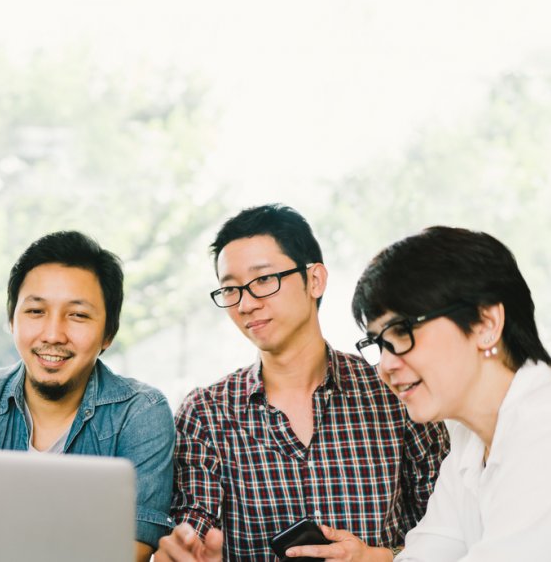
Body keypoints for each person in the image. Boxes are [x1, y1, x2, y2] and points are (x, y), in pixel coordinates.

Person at [156, 204, 450, 562]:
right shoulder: (206, 413)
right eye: (230, 289)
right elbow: (193, 525)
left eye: (263, 279)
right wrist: (186, 551)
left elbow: (450, 534)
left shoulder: (395, 391)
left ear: (315, 280)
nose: (246, 304)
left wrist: (380, 557)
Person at [341, 226, 551, 561]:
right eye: (379, 344)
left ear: (486, 324)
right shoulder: (468, 444)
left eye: (403, 331)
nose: (385, 365)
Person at [0, 230, 175, 561]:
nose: (53, 334)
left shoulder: (141, 413)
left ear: (108, 334)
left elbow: (129, 552)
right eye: (36, 311)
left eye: (78, 315)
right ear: (12, 320)